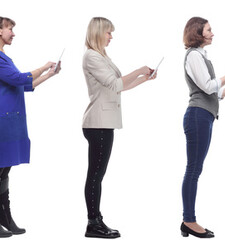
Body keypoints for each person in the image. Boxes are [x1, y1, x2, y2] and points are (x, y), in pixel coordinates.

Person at [0, 16, 58, 238]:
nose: (13, 33)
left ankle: (5, 217)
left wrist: (49, 75)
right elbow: (19, 78)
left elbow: (22, 85)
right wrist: (44, 66)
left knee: (6, 166)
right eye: (10, 29)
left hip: (11, 118)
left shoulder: (3, 56)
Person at [80, 17, 157, 239]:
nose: (111, 37)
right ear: (98, 32)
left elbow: (118, 88)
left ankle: (96, 220)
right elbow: (115, 83)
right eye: (108, 33)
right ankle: (93, 223)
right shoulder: (91, 56)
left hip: (105, 123)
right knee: (95, 175)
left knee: (98, 174)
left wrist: (145, 78)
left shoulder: (102, 56)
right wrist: (141, 68)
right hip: (98, 123)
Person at [179, 17, 225, 238]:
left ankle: (188, 220)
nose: (213, 33)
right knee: (193, 170)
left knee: (195, 169)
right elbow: (209, 86)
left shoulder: (201, 56)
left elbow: (215, 93)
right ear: (198, 32)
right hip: (197, 116)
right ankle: (189, 221)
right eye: (209, 30)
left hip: (205, 116)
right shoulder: (193, 55)